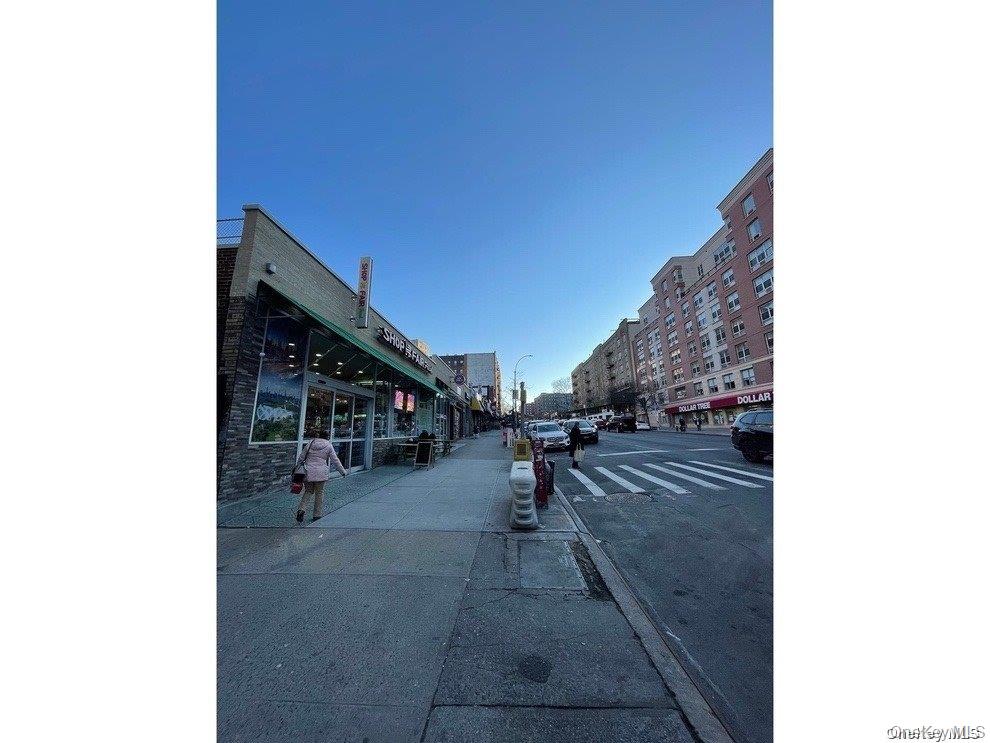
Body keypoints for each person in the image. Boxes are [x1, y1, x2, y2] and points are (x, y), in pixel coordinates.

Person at [295, 432, 347, 523]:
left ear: (318, 436)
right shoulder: (328, 445)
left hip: (308, 471)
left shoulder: (310, 443)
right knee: (319, 493)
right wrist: (343, 472)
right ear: (327, 437)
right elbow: (335, 460)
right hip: (321, 472)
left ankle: (301, 509)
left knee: (308, 491)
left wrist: (297, 467)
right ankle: (317, 515)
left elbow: (301, 457)